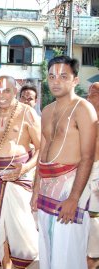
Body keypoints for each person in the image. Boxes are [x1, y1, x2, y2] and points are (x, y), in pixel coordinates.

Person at [31, 55, 97, 269]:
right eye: (51, 76)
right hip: (46, 190)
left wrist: (74, 198)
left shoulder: (83, 109)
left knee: (68, 254)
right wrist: (35, 191)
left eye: (63, 76)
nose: (56, 81)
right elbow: (43, 153)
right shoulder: (47, 111)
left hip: (70, 190)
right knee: (48, 251)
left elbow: (87, 156)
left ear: (75, 80)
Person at [0, 75, 40, 269]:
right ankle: (6, 265)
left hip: (16, 177)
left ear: (15, 92)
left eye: (7, 91)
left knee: (19, 231)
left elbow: (41, 147)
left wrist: (26, 167)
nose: (1, 96)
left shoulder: (27, 112)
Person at [86, 82, 99, 269]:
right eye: (89, 93)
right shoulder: (85, 118)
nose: (90, 95)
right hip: (84, 173)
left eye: (95, 93)